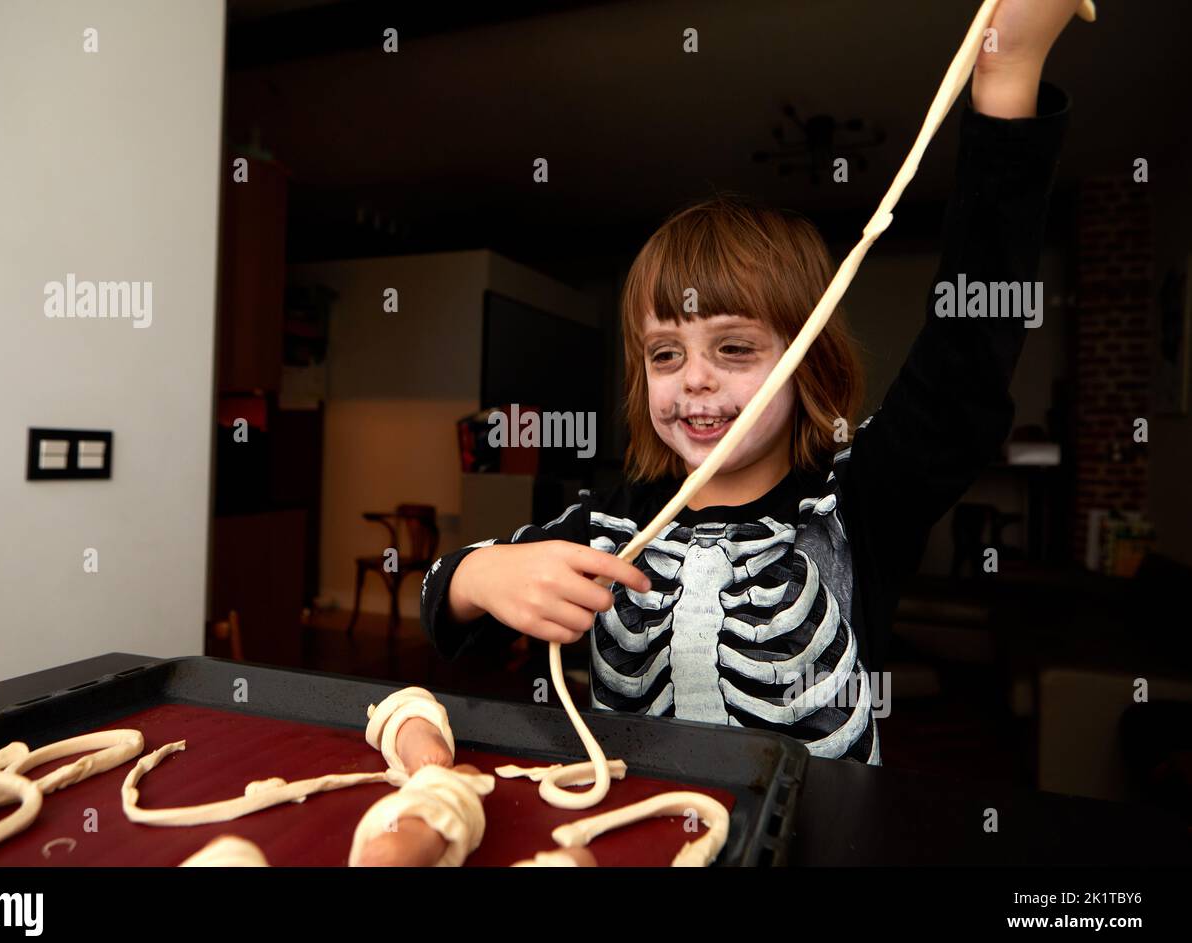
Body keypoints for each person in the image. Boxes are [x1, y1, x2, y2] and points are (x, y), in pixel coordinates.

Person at [419, 1, 1081, 767]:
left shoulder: (858, 500)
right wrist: (476, 574)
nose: (693, 379)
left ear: (808, 368)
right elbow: (442, 606)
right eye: (664, 355)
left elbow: (966, 359)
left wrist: (1008, 76)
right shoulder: (608, 523)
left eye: (733, 348)